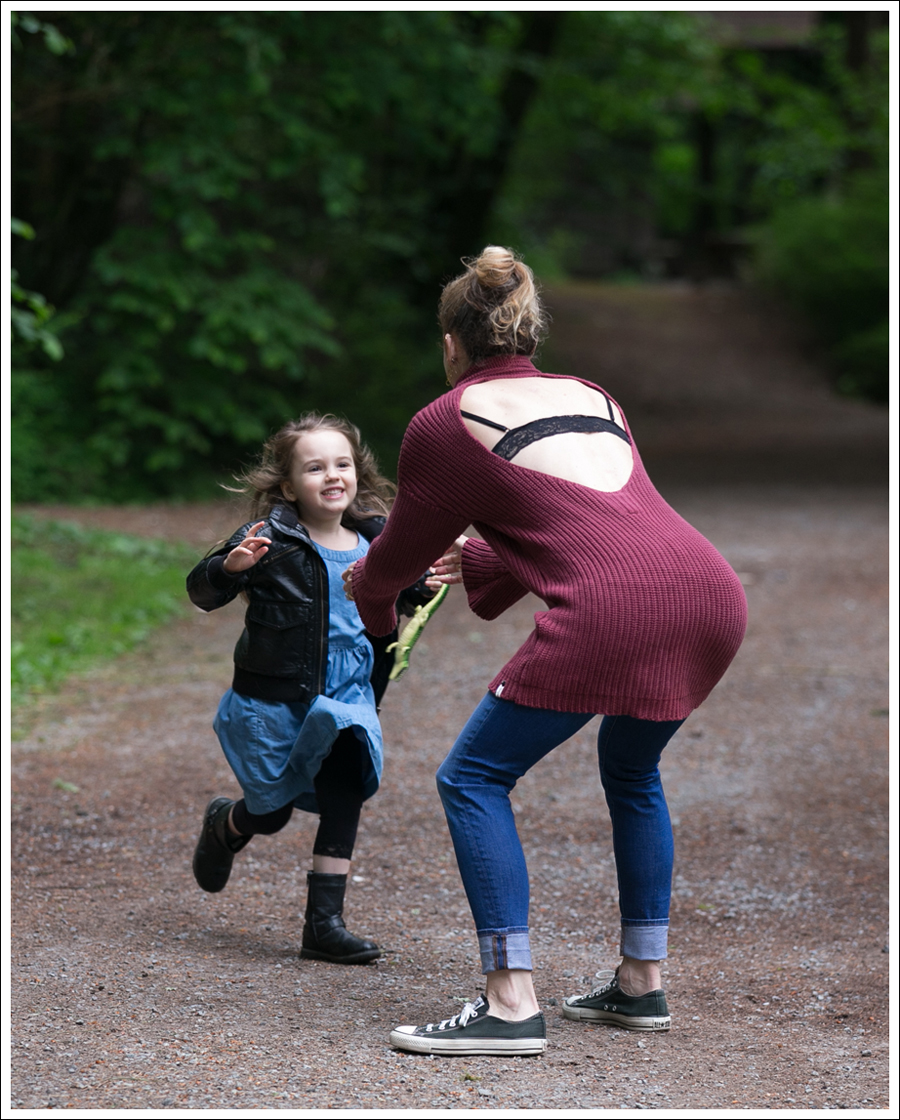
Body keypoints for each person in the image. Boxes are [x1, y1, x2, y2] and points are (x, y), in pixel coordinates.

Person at [344, 246, 747, 1053]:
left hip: (616, 606)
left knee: (474, 777)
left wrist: (372, 612)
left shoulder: (442, 420)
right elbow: (604, 521)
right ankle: (640, 987)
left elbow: (388, 565)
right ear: (526, 329)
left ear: (451, 343)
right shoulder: (592, 393)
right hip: (709, 591)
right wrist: (492, 558)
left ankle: (510, 1001)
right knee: (633, 770)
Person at [187, 413, 438, 965]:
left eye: (342, 464)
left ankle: (323, 925)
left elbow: (400, 599)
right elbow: (201, 592)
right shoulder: (269, 540)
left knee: (345, 783)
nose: (333, 476)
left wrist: (420, 588)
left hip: (348, 695)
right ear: (287, 485)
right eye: (315, 467)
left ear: (357, 473)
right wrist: (228, 570)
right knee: (271, 811)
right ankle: (228, 824)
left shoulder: (379, 539)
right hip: (275, 698)